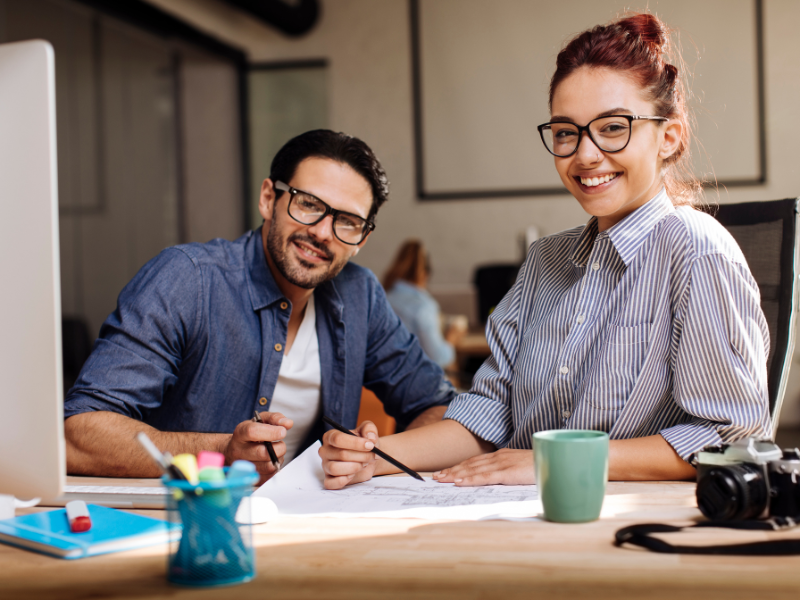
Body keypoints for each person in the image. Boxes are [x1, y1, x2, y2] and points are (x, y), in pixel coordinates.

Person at [319, 13, 771, 489]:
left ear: (669, 137)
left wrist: (550, 461)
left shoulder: (697, 251)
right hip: (519, 516)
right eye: (565, 132)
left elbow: (728, 437)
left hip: (622, 526)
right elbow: (488, 415)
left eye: (613, 127)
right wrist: (373, 455)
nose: (586, 154)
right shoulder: (545, 261)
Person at [64, 129, 455, 482]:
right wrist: (220, 453)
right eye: (308, 204)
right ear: (269, 198)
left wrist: (374, 457)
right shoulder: (187, 279)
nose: (321, 232)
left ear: (361, 241)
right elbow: (79, 433)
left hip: (305, 527)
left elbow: (441, 408)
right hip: (187, 522)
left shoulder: (360, 296)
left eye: (347, 221)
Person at [383, 239, 466, 369]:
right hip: (415, 380)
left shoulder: (384, 298)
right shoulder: (423, 306)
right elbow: (438, 357)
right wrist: (451, 339)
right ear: (424, 274)